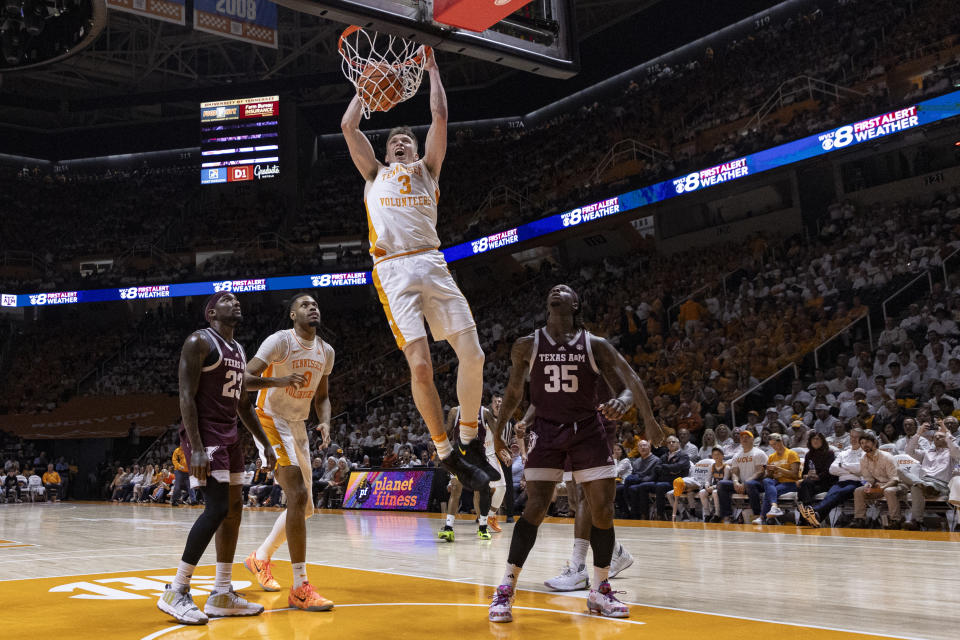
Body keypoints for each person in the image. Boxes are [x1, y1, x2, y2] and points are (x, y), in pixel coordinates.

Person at [341, 48, 492, 493]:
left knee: (475, 355)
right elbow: (349, 126)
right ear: (385, 153)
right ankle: (446, 452)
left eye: (405, 140)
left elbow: (440, 117)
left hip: (432, 260)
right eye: (394, 143)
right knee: (422, 368)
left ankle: (469, 438)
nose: (401, 144)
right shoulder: (374, 175)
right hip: (393, 269)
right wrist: (364, 90)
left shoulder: (428, 169)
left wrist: (432, 70)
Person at [488, 284, 660, 622]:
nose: (557, 291)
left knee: (602, 510)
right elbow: (512, 393)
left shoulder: (595, 345)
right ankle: (506, 587)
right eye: (552, 290)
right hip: (547, 431)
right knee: (535, 507)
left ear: (575, 304)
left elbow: (630, 380)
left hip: (588, 430)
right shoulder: (527, 344)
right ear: (547, 303)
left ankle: (600, 589)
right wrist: (499, 433)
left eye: (564, 290)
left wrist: (645, 417)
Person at [157, 292, 277, 626]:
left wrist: (264, 442)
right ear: (211, 312)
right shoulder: (198, 341)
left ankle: (222, 592)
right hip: (205, 433)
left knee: (235, 510)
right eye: (227, 299)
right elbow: (185, 396)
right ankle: (177, 590)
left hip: (229, 434)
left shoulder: (238, 350)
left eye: (237, 299)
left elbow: (243, 405)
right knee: (217, 508)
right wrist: (195, 446)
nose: (235, 302)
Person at [242, 293, 335, 612]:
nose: (313, 308)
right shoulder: (279, 342)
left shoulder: (326, 351)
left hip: (298, 425)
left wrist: (324, 422)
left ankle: (260, 558)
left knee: (305, 507)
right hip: (269, 419)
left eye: (316, 305)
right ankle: (300, 586)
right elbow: (244, 379)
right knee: (296, 495)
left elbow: (322, 396)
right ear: (293, 315)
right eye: (305, 305)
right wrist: (279, 379)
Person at [799, 428, 865, 528]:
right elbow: (833, 469)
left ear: (862, 438)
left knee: (837, 494)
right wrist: (851, 468)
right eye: (852, 436)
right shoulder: (844, 453)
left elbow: (860, 469)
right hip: (841, 481)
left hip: (856, 482)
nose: (853, 439)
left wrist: (842, 466)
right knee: (830, 496)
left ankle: (813, 511)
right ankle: (815, 517)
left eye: (857, 437)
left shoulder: (865, 453)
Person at [901, 420, 960, 530]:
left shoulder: (952, 454)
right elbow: (909, 451)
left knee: (915, 487)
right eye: (935, 437)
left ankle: (916, 520)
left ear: (947, 439)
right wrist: (918, 433)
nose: (937, 438)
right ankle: (918, 521)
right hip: (923, 482)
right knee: (902, 472)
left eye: (940, 436)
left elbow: (956, 449)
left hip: (941, 485)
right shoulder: (926, 452)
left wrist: (945, 429)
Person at [851, 431, 902, 529]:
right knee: (859, 490)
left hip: (896, 485)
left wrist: (882, 487)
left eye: (867, 442)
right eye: (862, 443)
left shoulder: (887, 457)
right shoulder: (863, 459)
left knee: (888, 491)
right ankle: (860, 519)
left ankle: (895, 520)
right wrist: (867, 484)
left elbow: (895, 479)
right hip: (879, 486)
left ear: (874, 442)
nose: (864, 445)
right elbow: (867, 478)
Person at [716, 430, 768, 524]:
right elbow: (735, 472)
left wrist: (745, 483)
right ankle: (727, 516)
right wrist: (736, 482)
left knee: (749, 484)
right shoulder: (737, 455)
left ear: (752, 439)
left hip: (758, 484)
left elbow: (759, 472)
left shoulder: (759, 453)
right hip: (743, 484)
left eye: (747, 437)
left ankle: (758, 516)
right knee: (721, 484)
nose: (744, 439)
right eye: (742, 437)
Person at [754, 433, 800, 524]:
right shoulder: (771, 457)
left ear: (781, 441)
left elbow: (795, 475)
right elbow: (770, 476)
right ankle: (774, 507)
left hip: (790, 482)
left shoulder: (791, 454)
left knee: (770, 492)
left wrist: (778, 469)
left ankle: (762, 518)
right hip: (777, 482)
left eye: (775, 444)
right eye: (771, 445)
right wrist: (768, 472)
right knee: (766, 480)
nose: (773, 447)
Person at [797, 432, 836, 507]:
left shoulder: (829, 453)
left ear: (822, 441)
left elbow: (829, 471)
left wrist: (818, 477)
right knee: (804, 484)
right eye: (813, 439)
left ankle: (806, 507)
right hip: (811, 482)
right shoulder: (808, 455)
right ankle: (808, 508)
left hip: (825, 482)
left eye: (817, 439)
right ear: (810, 441)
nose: (815, 441)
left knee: (805, 485)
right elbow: (804, 472)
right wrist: (805, 475)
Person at [698, 446, 729, 522]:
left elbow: (724, 482)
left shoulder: (726, 467)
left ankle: (717, 514)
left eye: (718, 454)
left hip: (722, 488)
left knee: (715, 492)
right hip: (713, 487)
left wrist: (713, 487)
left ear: (723, 456)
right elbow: (707, 479)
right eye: (714, 454)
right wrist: (707, 485)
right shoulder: (712, 466)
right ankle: (707, 514)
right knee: (702, 492)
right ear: (712, 456)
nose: (716, 456)